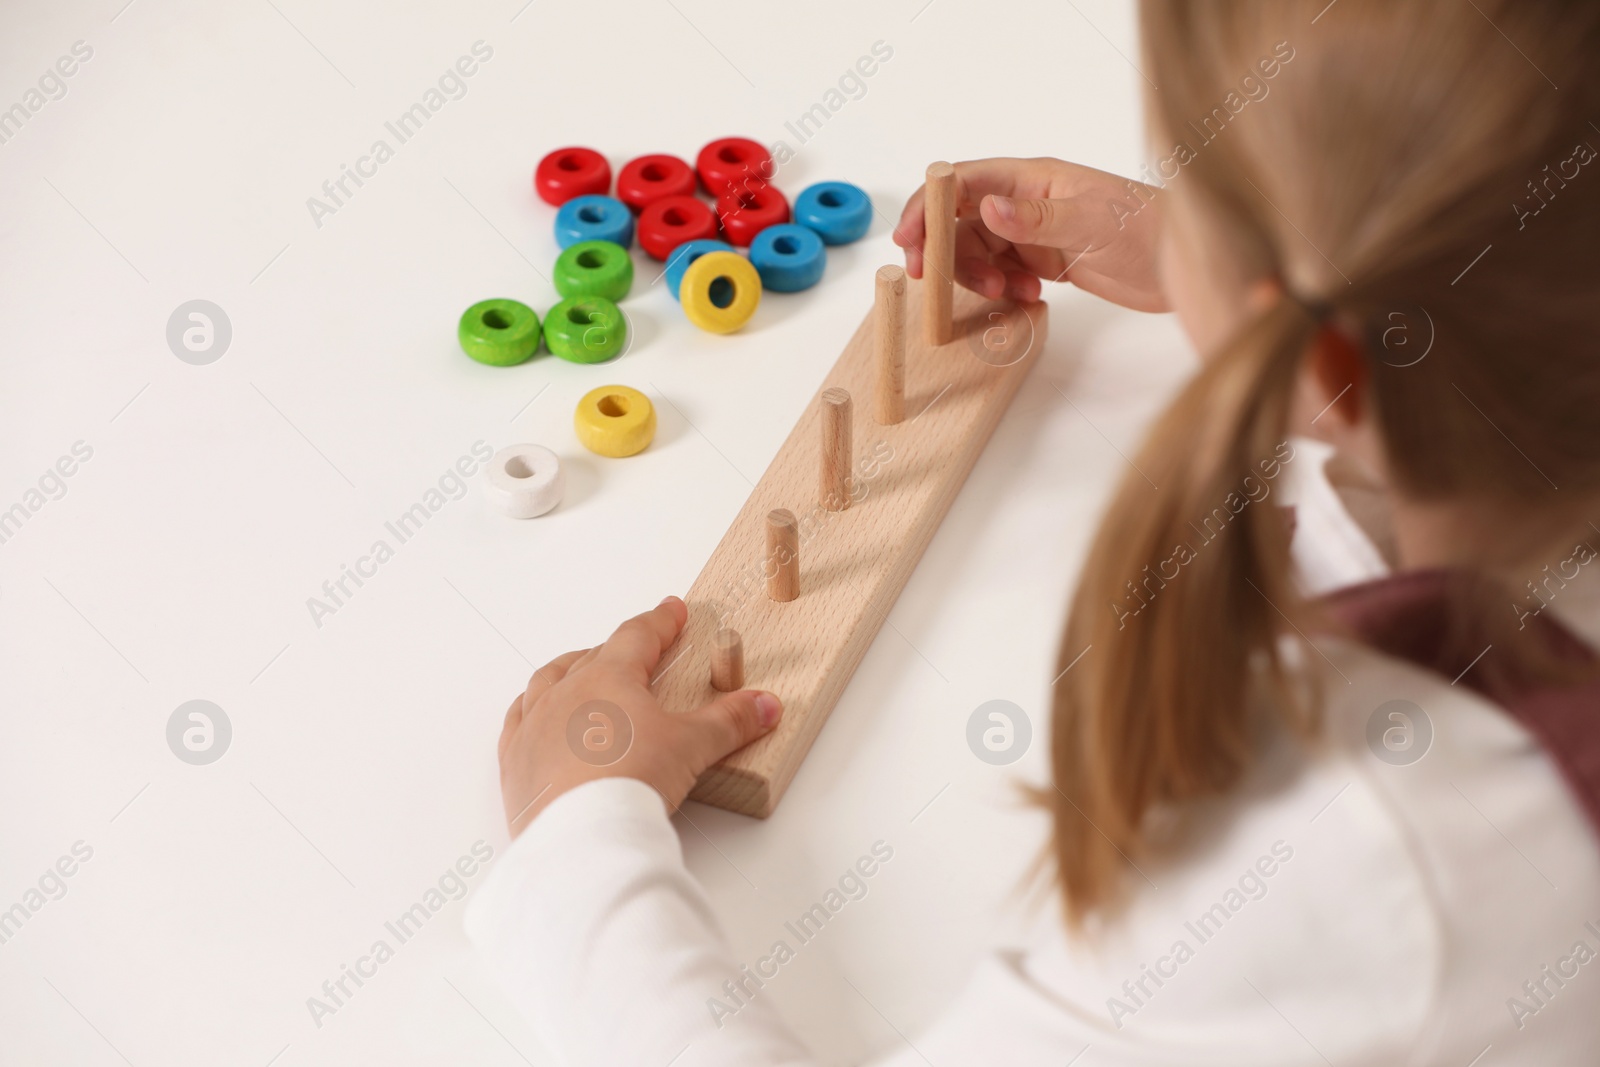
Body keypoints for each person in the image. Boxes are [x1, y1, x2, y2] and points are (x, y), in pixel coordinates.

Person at [466, 1, 1600, 1062]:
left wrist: (579, 846)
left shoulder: (1360, 847)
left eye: (1197, 182)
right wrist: (1220, 261)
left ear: (1319, 344)